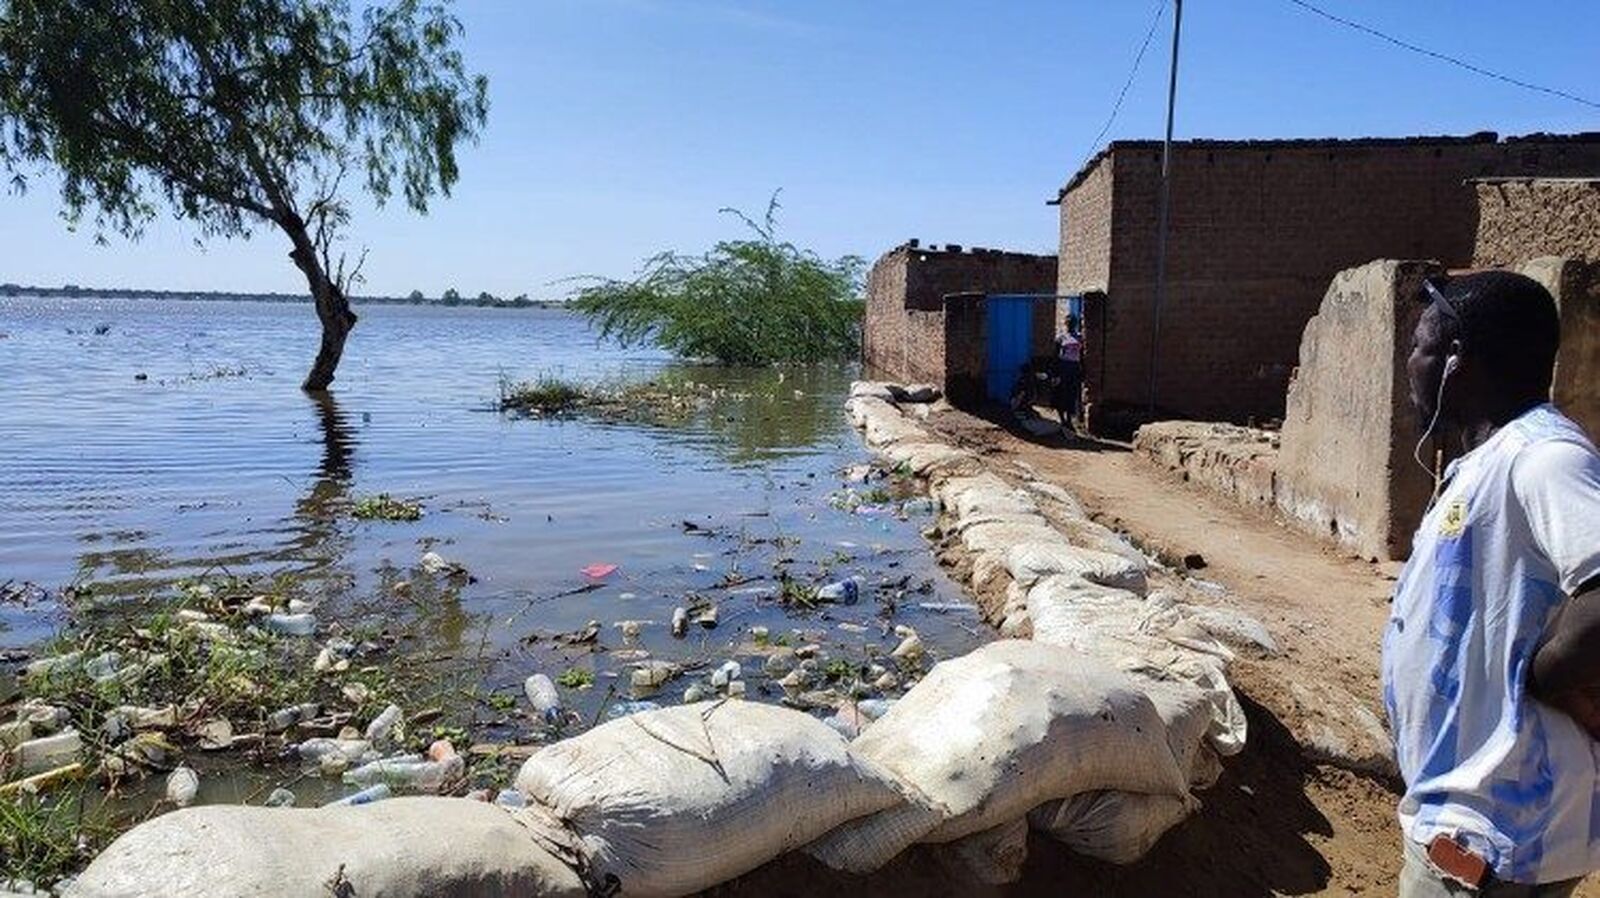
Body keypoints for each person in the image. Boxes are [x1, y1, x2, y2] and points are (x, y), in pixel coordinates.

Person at [1383, 270, 1600, 897]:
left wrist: (1538, 676)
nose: (1410, 365)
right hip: (1470, 830)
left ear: (1456, 361)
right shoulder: (1489, 460)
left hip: (1491, 847)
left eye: (1419, 348)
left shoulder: (1545, 459)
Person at [1052, 316, 1084, 434]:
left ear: (1075, 324)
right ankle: (1062, 419)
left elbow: (1082, 355)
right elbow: (1055, 356)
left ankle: (1069, 419)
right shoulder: (1060, 338)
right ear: (1065, 324)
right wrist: (1055, 373)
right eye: (1069, 323)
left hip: (1074, 368)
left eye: (1073, 323)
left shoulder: (1080, 338)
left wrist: (1082, 369)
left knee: (1072, 393)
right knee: (1061, 392)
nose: (1070, 325)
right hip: (1063, 367)